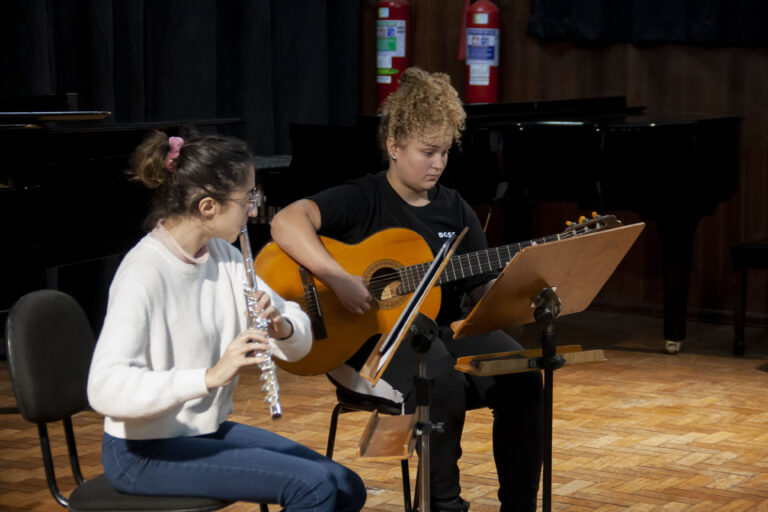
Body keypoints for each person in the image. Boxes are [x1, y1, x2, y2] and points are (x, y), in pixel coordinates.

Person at [270, 67, 543, 512]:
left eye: (444, 152)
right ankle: (444, 504)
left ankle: (520, 505)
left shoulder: (456, 209)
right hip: (365, 341)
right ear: (394, 147)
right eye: (426, 152)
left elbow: (479, 289)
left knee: (524, 375)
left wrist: (518, 286)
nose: (437, 163)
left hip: (440, 330)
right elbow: (286, 222)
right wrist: (338, 277)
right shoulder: (364, 198)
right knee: (437, 374)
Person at [87, 129, 367, 512]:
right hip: (141, 451)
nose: (254, 209)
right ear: (208, 207)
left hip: (204, 432)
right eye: (248, 198)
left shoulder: (224, 255)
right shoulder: (144, 272)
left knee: (346, 485)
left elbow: (298, 333)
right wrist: (209, 377)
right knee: (313, 487)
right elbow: (104, 388)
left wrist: (280, 325)